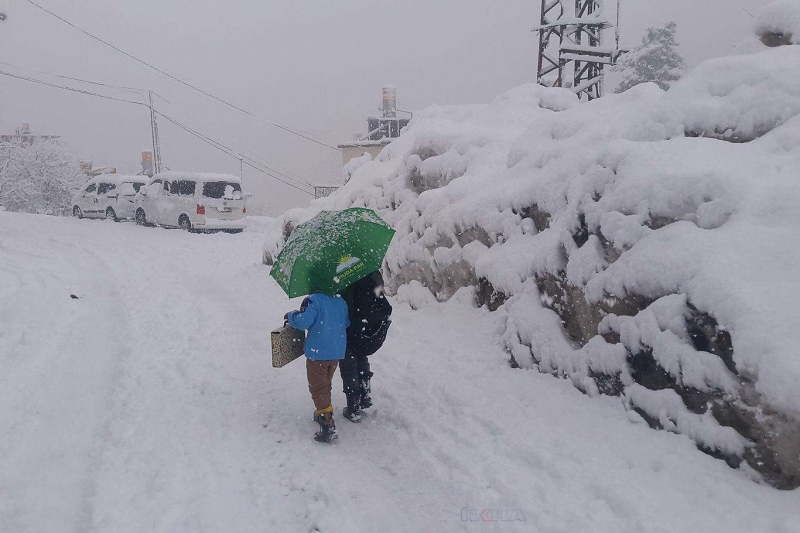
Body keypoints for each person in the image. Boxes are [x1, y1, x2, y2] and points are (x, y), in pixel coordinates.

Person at [286, 292, 349, 443]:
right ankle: (323, 410)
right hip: (336, 351)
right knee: (325, 383)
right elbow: (345, 322)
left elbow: (303, 322)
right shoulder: (340, 301)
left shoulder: (314, 301)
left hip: (318, 352)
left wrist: (291, 316)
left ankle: (328, 425)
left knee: (317, 387)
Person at [338, 270, 393, 423]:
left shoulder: (342, 272)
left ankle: (353, 407)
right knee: (361, 354)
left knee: (348, 363)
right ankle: (365, 394)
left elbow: (342, 301)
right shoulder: (369, 268)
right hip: (368, 324)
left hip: (351, 323)